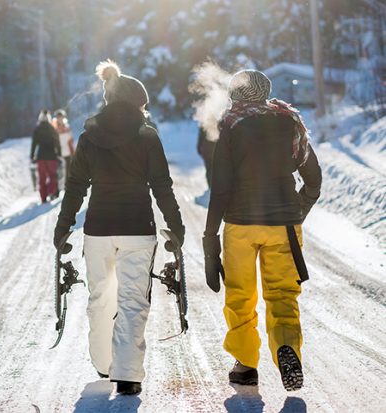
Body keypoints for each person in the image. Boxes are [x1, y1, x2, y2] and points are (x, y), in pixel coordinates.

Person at [53, 60, 184, 395]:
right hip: (138, 229)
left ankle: (103, 363)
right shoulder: (147, 136)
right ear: (137, 103)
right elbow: (162, 185)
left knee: (100, 297)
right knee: (132, 300)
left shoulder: (88, 136)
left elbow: (76, 185)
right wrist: (176, 225)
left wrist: (63, 225)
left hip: (98, 229)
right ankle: (127, 375)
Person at [202, 70, 322, 391]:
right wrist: (299, 210)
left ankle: (245, 365)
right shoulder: (290, 122)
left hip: (241, 225)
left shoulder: (231, 125)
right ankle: (287, 347)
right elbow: (314, 179)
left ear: (235, 95)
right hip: (284, 224)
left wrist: (209, 237)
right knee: (283, 294)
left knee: (241, 295)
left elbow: (221, 188)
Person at [30, 110, 61, 203]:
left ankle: (43, 198)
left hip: (41, 157)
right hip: (52, 156)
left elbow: (34, 144)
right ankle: (51, 192)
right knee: (52, 176)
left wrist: (32, 155)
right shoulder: (52, 128)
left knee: (42, 177)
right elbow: (57, 142)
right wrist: (59, 154)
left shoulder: (37, 129)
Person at [53, 109, 75, 183]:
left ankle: (66, 185)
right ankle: (58, 188)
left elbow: (71, 140)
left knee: (68, 170)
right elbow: (54, 140)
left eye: (61, 117)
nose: (60, 119)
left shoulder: (67, 127)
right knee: (59, 171)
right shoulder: (54, 128)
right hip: (58, 152)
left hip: (68, 152)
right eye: (58, 117)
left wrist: (73, 151)